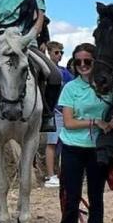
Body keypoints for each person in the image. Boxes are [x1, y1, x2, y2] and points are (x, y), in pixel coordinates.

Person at [54, 44, 113, 223]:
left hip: (96, 148)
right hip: (72, 146)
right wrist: (95, 122)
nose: (82, 65)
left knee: (95, 194)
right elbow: (69, 122)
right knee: (71, 194)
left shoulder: (107, 86)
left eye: (87, 61)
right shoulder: (70, 88)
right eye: (78, 62)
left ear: (95, 61)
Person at [0, 0, 62, 132]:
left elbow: (38, 24)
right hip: (0, 44)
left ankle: (46, 115)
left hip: (26, 44)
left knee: (55, 76)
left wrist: (26, 39)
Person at [43, 41, 74, 188]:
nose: (59, 55)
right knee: (52, 143)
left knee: (64, 143)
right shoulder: (45, 69)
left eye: (61, 52)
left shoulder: (64, 71)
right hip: (53, 111)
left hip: (65, 111)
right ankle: (50, 175)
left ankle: (62, 173)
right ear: (49, 52)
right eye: (56, 52)